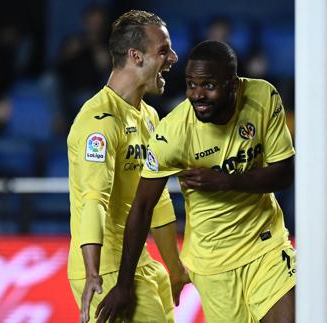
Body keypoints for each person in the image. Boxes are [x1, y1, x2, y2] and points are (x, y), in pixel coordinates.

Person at [96, 40, 296, 323]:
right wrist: (124, 285)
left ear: (233, 85)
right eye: (191, 85)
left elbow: (285, 172)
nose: (198, 95)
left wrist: (225, 181)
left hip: (267, 245)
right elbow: (141, 207)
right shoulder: (172, 134)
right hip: (213, 263)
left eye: (209, 86)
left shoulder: (262, 97)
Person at [66, 10, 189, 323]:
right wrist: (93, 273)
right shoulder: (99, 122)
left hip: (139, 264)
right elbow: (93, 200)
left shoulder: (149, 117)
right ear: (135, 56)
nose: (174, 57)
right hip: (107, 269)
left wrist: (175, 270)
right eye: (163, 50)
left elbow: (157, 201)